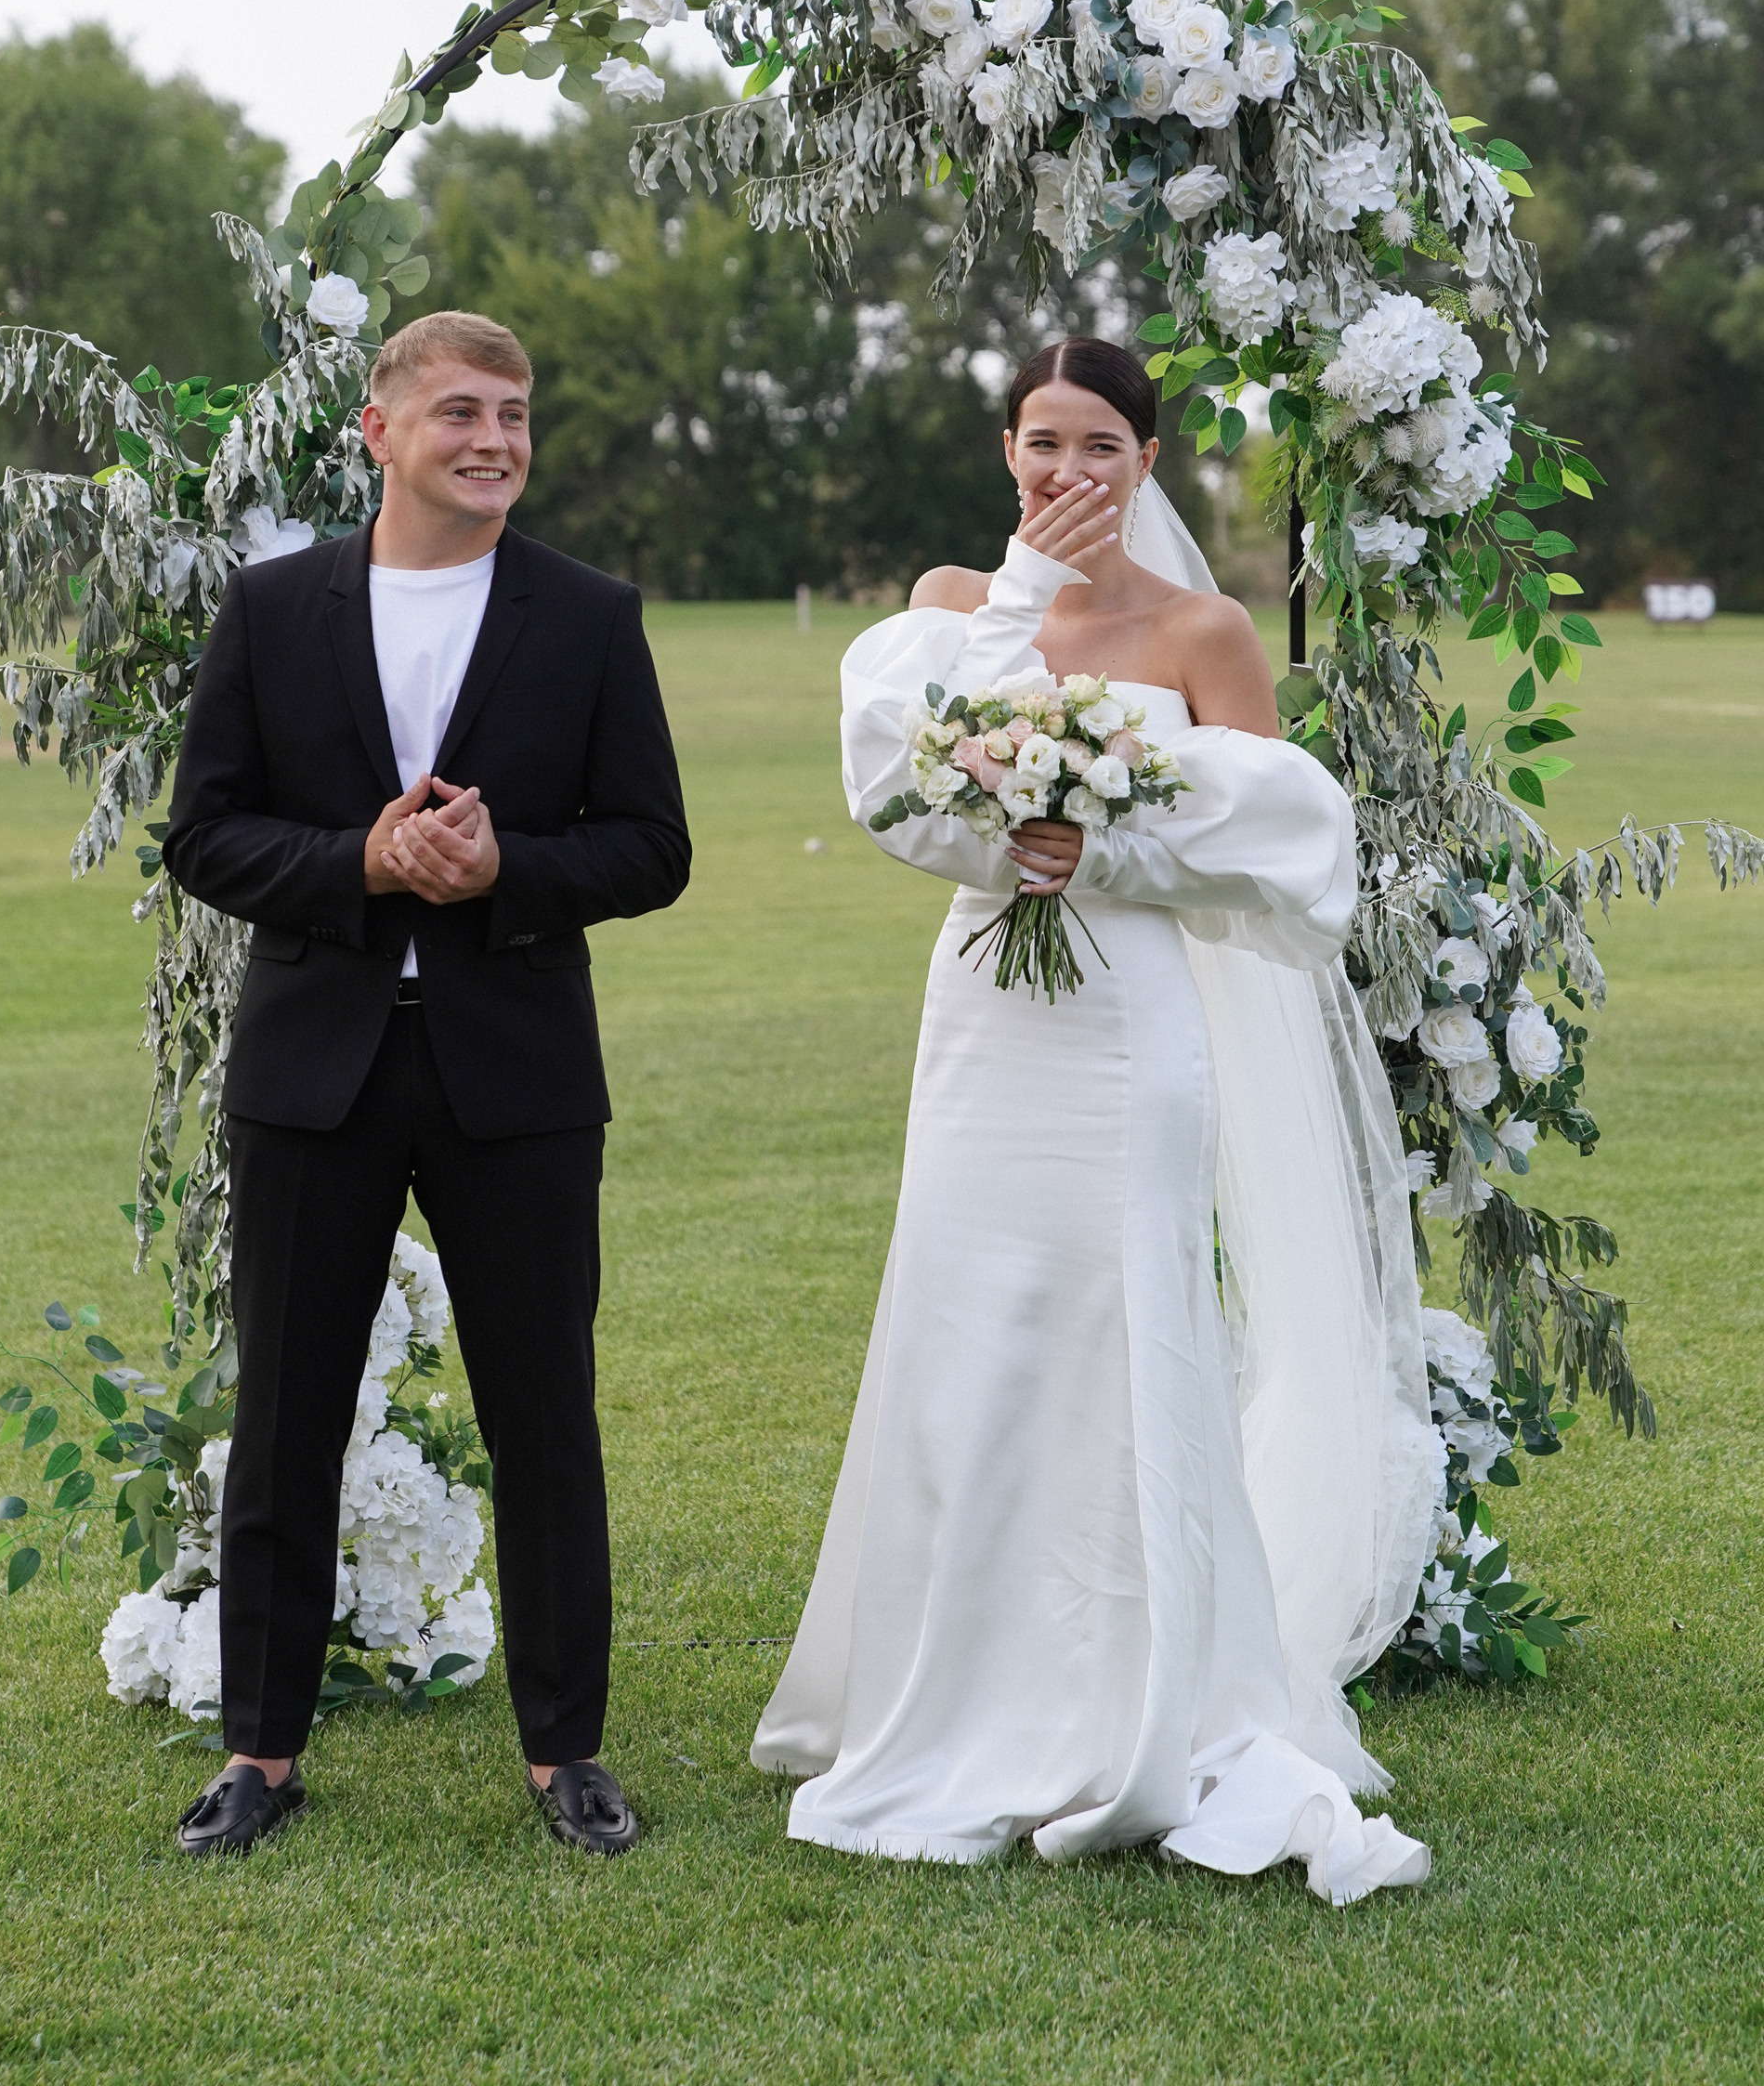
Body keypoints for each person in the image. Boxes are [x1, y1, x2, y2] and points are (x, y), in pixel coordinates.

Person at [752, 337, 1442, 1902]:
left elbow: (1288, 851)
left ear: (1147, 461)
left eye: (1100, 447)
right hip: (987, 1017)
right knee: (971, 1319)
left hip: (1129, 1029)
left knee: (1124, 1324)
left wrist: (1110, 852)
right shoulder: (948, 607)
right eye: (1042, 441)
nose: (1070, 471)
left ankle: (1151, 1690)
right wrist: (1010, 625)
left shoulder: (1201, 626)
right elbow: (896, 786)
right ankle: (956, 1685)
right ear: (1008, 451)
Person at [163, 310, 690, 1858]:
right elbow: (204, 835)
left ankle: (566, 1755)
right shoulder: (271, 611)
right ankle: (258, 1753)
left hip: (516, 1075)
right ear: (380, 433)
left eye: (517, 413)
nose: (497, 439)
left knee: (547, 1418)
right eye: (462, 410)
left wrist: (504, 869)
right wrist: (362, 861)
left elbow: (651, 846)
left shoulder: (590, 615)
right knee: (285, 1418)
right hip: (311, 1069)